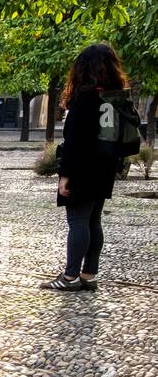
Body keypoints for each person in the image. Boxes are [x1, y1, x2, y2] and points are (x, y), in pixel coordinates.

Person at [41, 43, 131, 292]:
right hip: (105, 167)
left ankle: (70, 277)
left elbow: (74, 143)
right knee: (94, 220)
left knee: (78, 221)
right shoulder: (114, 96)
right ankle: (89, 274)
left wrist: (65, 176)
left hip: (82, 169)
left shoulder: (85, 97)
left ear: (83, 67)